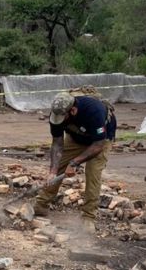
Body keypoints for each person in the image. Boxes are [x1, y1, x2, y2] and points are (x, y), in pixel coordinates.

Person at [34, 91, 116, 233]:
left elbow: (98, 145)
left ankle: (88, 217)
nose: (59, 120)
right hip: (76, 137)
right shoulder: (57, 114)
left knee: (92, 173)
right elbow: (57, 143)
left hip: (100, 141)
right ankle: (41, 204)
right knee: (59, 165)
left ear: (73, 111)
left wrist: (74, 163)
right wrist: (53, 171)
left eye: (63, 118)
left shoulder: (94, 111)